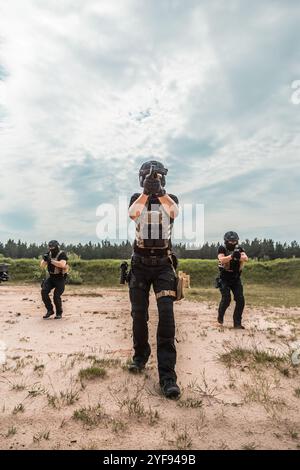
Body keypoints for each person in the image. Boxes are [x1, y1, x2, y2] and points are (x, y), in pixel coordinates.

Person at [127, 160, 181, 399]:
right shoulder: (136, 198)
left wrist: (159, 193)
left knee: (166, 319)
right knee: (139, 315)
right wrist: (147, 193)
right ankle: (140, 357)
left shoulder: (171, 199)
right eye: (151, 176)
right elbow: (133, 214)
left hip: (163, 266)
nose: (154, 178)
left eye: (158, 176)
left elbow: (174, 212)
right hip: (139, 265)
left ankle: (168, 377)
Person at [217, 231, 248, 329]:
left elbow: (245, 258)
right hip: (224, 278)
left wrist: (239, 256)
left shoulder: (239, 249)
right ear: (226, 241)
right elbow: (221, 259)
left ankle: (237, 323)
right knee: (226, 299)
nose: (233, 243)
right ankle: (220, 317)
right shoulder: (222, 248)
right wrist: (231, 256)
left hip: (236, 278)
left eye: (234, 241)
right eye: (230, 241)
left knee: (240, 300)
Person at [40, 240, 68, 319]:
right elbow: (42, 266)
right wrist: (45, 259)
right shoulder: (48, 254)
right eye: (50, 247)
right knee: (44, 292)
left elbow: (62, 264)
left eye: (52, 247)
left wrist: (50, 260)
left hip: (60, 278)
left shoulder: (62, 254)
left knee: (56, 296)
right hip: (51, 277)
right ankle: (50, 310)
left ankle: (59, 313)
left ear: (57, 247)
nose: (51, 249)